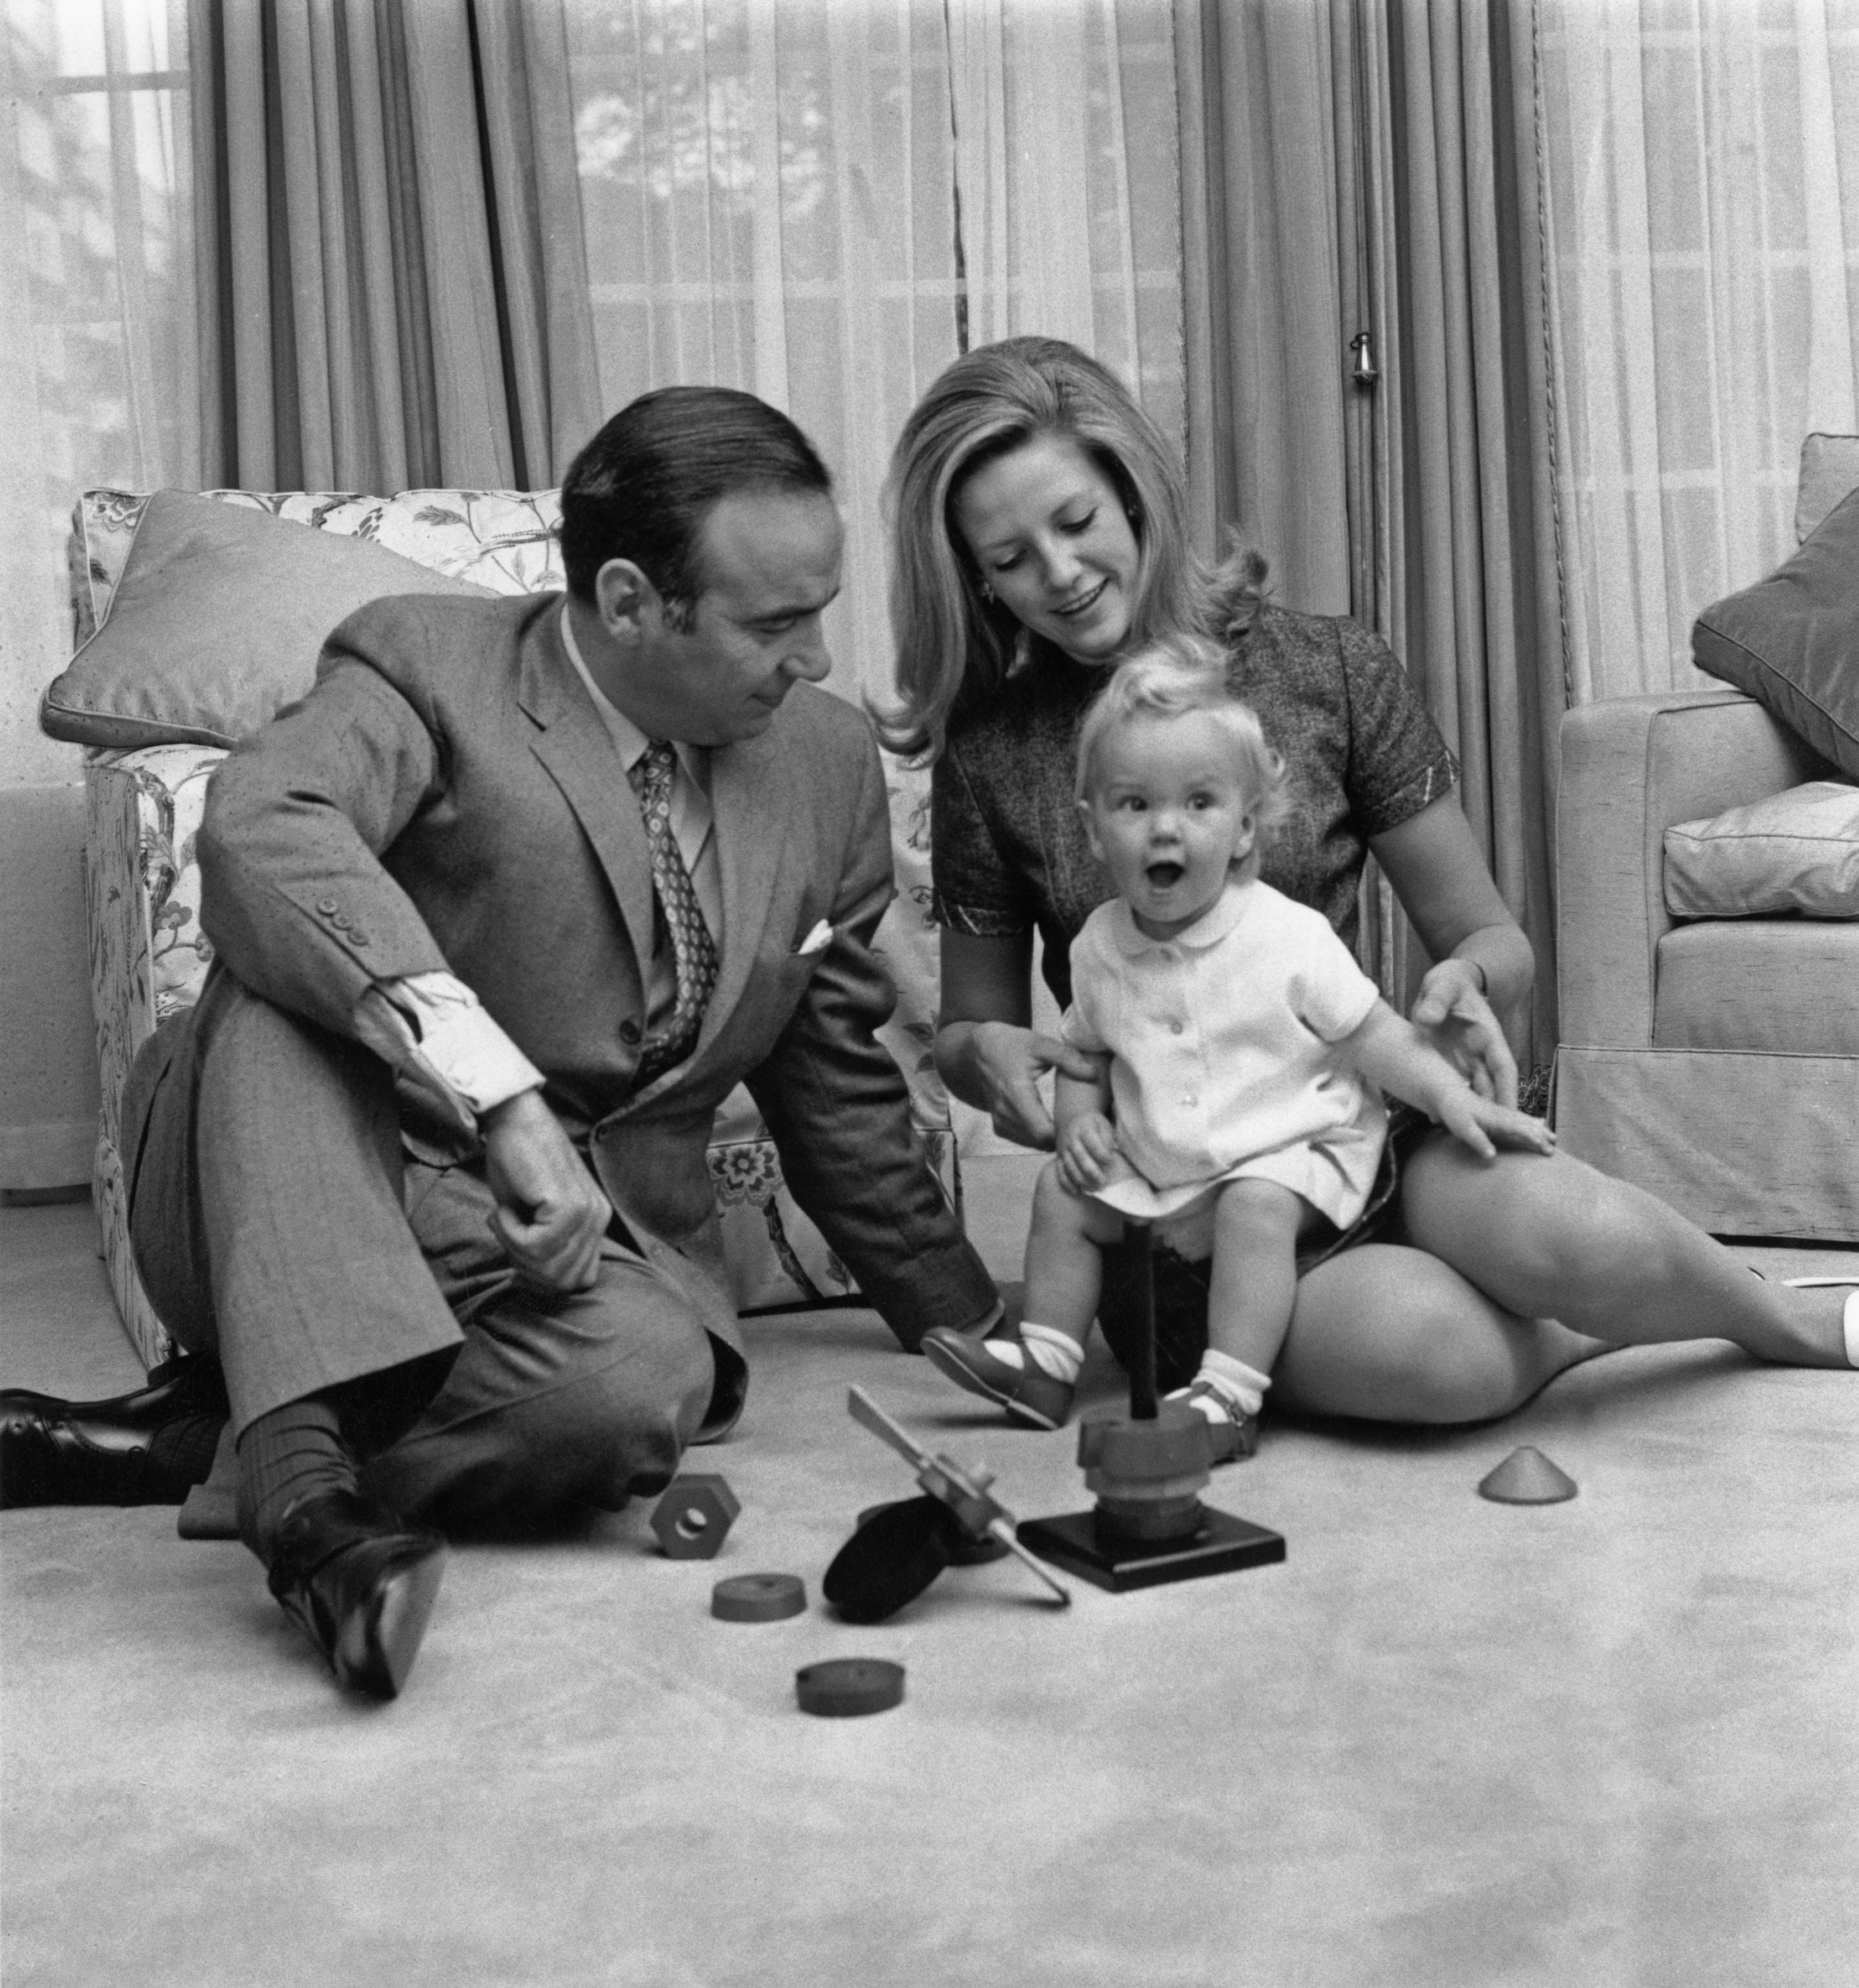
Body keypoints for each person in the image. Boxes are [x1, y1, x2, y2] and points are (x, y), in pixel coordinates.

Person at [0, 386, 1000, 1698]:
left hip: (566, 1264)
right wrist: (504, 1101)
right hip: (293, 1168)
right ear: (634, 601)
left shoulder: (824, 761)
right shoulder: (427, 663)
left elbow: (838, 1083)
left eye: (819, 609)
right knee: (286, 970)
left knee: (645, 1389)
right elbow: (265, 826)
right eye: (774, 622)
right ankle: (307, 1518)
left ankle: (220, 1430)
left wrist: (971, 1321)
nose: (814, 656)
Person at [878, 335, 1858, 1429]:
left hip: (1365, 1136)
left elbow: (1490, 938)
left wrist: (1466, 989)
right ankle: (1584, 1332)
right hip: (1189, 1218)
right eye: (1008, 559)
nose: (1056, 576)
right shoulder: (990, 750)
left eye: (1074, 523)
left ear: (1133, 493)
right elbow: (972, 1035)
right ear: (973, 575)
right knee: (1435, 1358)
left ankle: (1781, 1322)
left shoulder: (1326, 669)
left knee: (1585, 1234)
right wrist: (995, 1061)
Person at [928, 638, 1557, 1453]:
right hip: (1165, 1162)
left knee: (1253, 1207)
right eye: (1133, 805)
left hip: (1289, 1146)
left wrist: (1452, 1097)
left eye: (1199, 803)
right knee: (1059, 1193)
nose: (1166, 828)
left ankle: (1227, 1396)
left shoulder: (1286, 936)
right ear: (1092, 831)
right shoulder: (1096, 947)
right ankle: (1045, 1363)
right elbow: (1087, 1053)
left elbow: (1375, 1038)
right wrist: (1080, 1121)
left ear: (1243, 827)